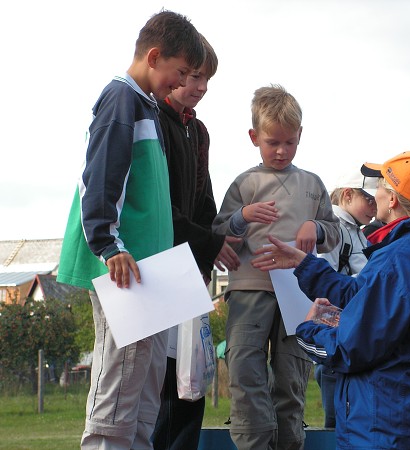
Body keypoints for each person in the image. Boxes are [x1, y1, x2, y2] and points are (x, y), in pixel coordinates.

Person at [252, 151, 410, 449]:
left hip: (386, 427)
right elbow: (365, 295)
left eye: (379, 187)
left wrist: (308, 329)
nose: (374, 194)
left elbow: (350, 347)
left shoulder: (399, 260)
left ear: (392, 199)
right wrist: (304, 264)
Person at [56, 10, 204, 449]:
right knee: (118, 396)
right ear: (154, 56)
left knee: (143, 398)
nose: (179, 84)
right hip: (125, 268)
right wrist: (108, 245)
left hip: (151, 274)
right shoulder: (121, 100)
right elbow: (99, 178)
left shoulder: (148, 107)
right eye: (179, 72)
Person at [212, 84, 340, 450]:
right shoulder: (245, 183)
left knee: (291, 379)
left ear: (300, 136)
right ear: (254, 137)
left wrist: (314, 227)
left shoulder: (312, 184)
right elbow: (219, 235)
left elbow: (334, 233)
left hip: (298, 296)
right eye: (272, 142)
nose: (281, 151)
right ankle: (254, 444)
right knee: (245, 372)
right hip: (249, 290)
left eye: (289, 142)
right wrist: (242, 217)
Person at [151, 34, 241, 450]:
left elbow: (203, 197)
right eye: (192, 75)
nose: (199, 86)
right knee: (161, 385)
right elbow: (160, 208)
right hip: (157, 267)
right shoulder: (154, 120)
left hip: (191, 270)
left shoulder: (198, 131)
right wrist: (206, 242)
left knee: (191, 379)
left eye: (205, 78)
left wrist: (215, 241)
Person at [314, 168, 377, 428]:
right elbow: (323, 279)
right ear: (348, 195)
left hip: (350, 326)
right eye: (369, 199)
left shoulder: (355, 229)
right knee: (335, 403)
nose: (374, 207)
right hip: (336, 327)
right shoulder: (335, 226)